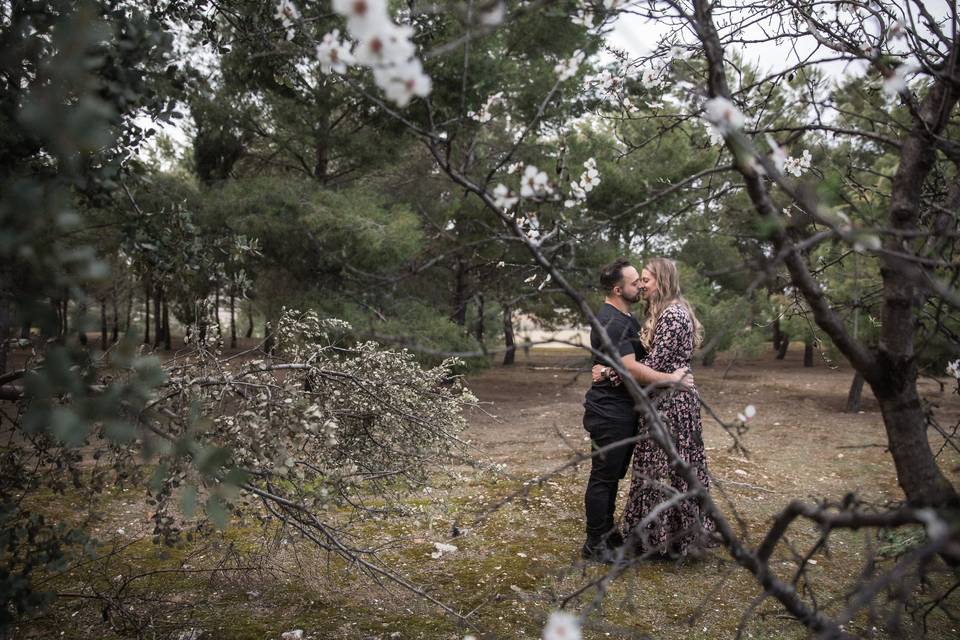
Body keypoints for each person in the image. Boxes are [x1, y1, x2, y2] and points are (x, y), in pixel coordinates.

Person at [592, 257, 715, 559]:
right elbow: (643, 364)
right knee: (655, 471)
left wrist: (608, 371)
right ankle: (616, 541)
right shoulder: (641, 315)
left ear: (662, 280)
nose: (642, 284)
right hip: (647, 403)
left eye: (646, 279)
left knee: (667, 471)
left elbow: (651, 365)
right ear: (619, 289)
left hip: (671, 403)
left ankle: (673, 540)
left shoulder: (671, 315)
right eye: (638, 280)